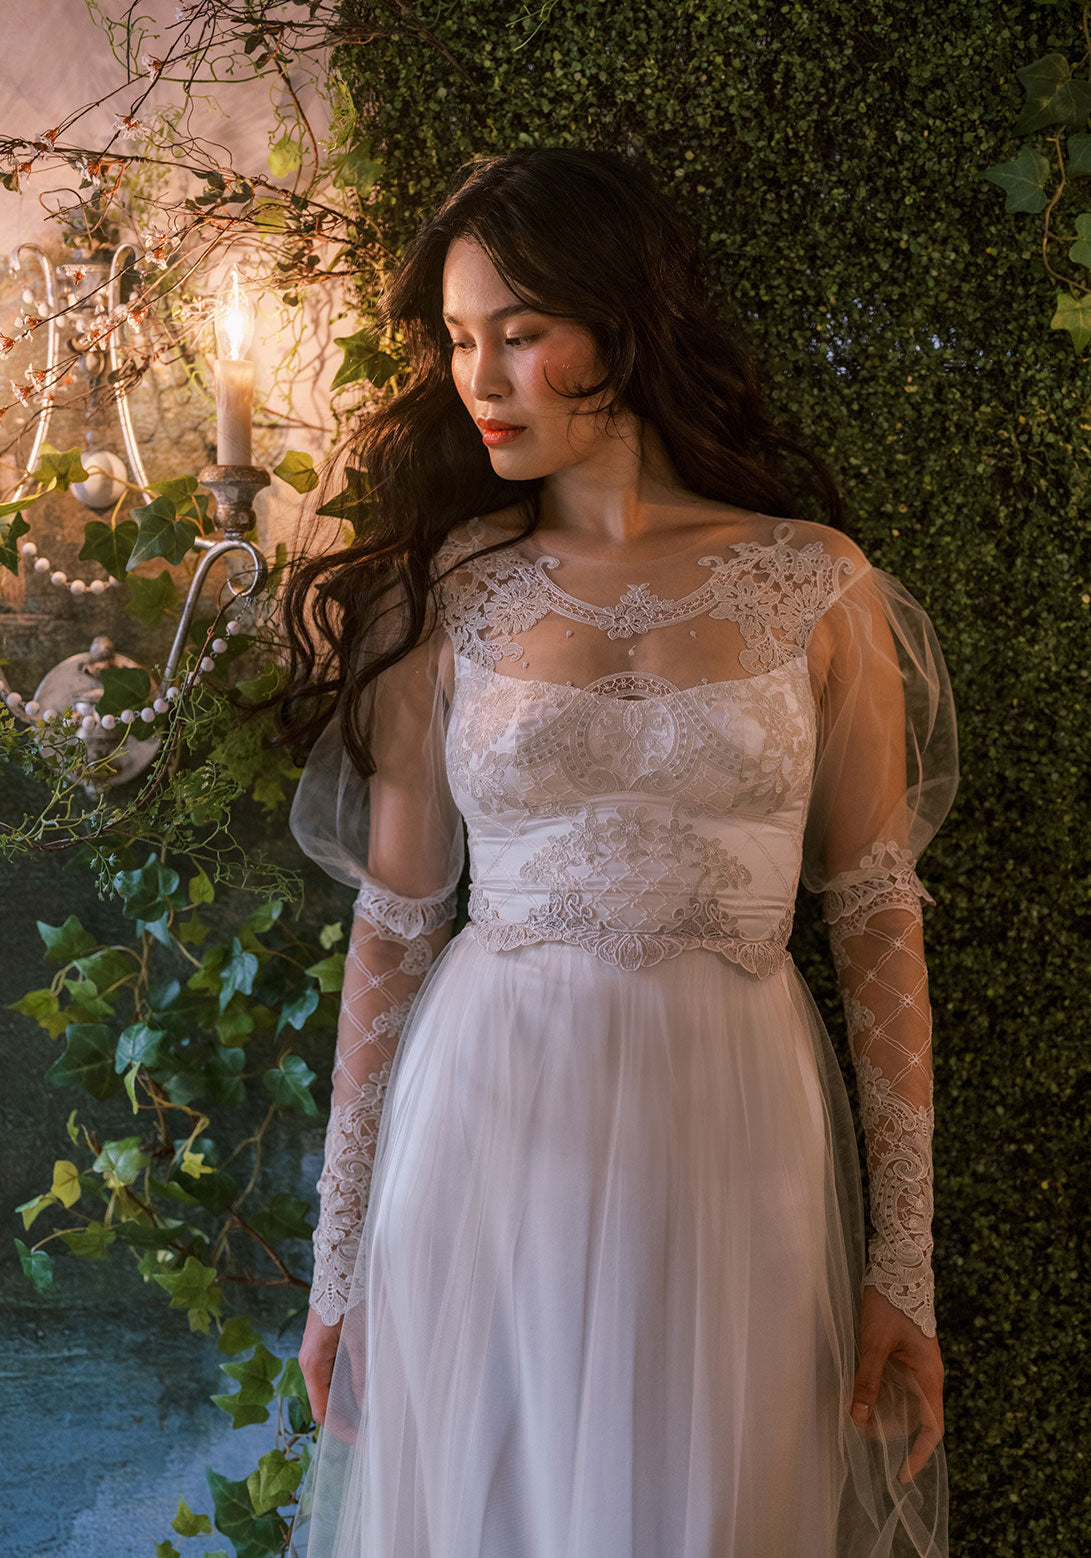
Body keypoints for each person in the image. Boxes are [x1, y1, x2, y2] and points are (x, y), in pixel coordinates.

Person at [280, 146, 958, 1557]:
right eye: (463, 342)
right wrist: (337, 1258)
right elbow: (396, 926)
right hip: (488, 1120)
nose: (482, 379)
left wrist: (907, 1263)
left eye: (522, 335)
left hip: (739, 1134)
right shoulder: (448, 594)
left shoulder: (817, 585)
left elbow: (879, 919)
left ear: (624, 326)